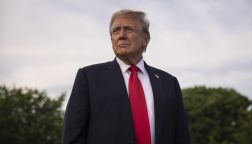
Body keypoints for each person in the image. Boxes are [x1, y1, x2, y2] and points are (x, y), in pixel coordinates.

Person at [62, 9, 190, 144]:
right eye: (115, 31)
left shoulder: (169, 83)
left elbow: (181, 136)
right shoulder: (88, 78)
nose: (121, 35)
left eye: (128, 29)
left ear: (145, 39)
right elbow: (73, 136)